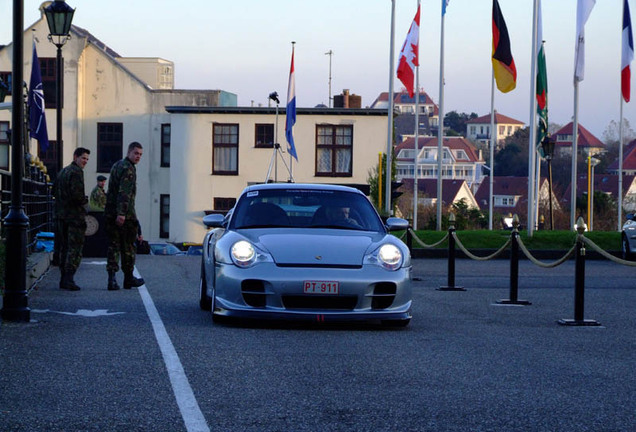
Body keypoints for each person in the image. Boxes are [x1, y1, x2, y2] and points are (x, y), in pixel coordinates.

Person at [105, 142, 145, 291]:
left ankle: (112, 279)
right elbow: (124, 192)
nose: (138, 157)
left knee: (113, 246)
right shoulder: (128, 169)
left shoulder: (117, 165)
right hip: (124, 215)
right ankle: (128, 278)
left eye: (140, 154)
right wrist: (121, 213)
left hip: (110, 212)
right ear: (129, 152)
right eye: (136, 153)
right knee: (128, 247)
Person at [55, 147, 90, 291]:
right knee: (74, 248)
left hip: (61, 215)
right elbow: (77, 196)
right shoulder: (76, 172)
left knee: (64, 247)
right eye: (83, 158)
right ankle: (69, 278)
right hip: (74, 216)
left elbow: (54, 190)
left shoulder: (63, 171)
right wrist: (84, 202)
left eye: (87, 159)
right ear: (75, 156)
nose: (85, 162)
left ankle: (64, 278)